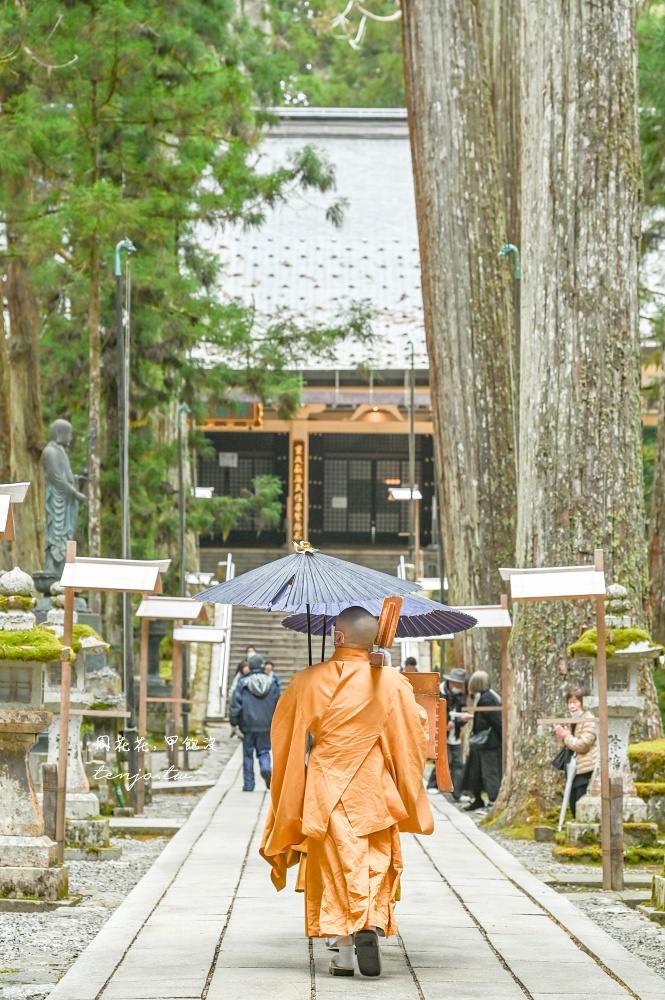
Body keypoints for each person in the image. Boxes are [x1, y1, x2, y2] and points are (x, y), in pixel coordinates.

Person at [260, 606, 433, 979]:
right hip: (373, 784)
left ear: (338, 637)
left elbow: (285, 736)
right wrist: (388, 676)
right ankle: (368, 921)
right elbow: (417, 732)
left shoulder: (308, 679)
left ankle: (342, 952)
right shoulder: (391, 681)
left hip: (326, 783)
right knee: (373, 857)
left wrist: (288, 793)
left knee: (333, 863)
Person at [229, 652, 279, 792]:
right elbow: (278, 704)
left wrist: (234, 722)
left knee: (248, 755)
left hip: (247, 724)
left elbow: (236, 705)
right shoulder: (272, 683)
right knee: (264, 751)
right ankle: (265, 768)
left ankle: (249, 785)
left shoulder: (243, 683)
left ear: (250, 666)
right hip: (266, 724)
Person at [460, 670, 502, 812]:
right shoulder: (486, 697)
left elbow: (497, 721)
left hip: (489, 744)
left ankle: (492, 802)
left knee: (490, 773)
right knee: (475, 772)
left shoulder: (487, 698)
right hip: (483, 743)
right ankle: (478, 800)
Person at [427, 667, 470, 801]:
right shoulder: (438, 692)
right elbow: (431, 714)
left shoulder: (459, 696)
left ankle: (457, 792)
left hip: (453, 734)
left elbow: (458, 713)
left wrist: (460, 720)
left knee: (458, 763)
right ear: (450, 682)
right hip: (440, 733)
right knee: (445, 760)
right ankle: (432, 785)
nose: (457, 687)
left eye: (459, 684)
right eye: (456, 684)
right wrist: (442, 727)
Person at [554, 687, 597, 818]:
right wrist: (565, 736)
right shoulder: (575, 720)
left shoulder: (589, 719)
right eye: (569, 703)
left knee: (579, 803)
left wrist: (566, 736)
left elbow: (583, 745)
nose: (572, 706)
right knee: (572, 803)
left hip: (585, 769)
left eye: (575, 702)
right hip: (574, 768)